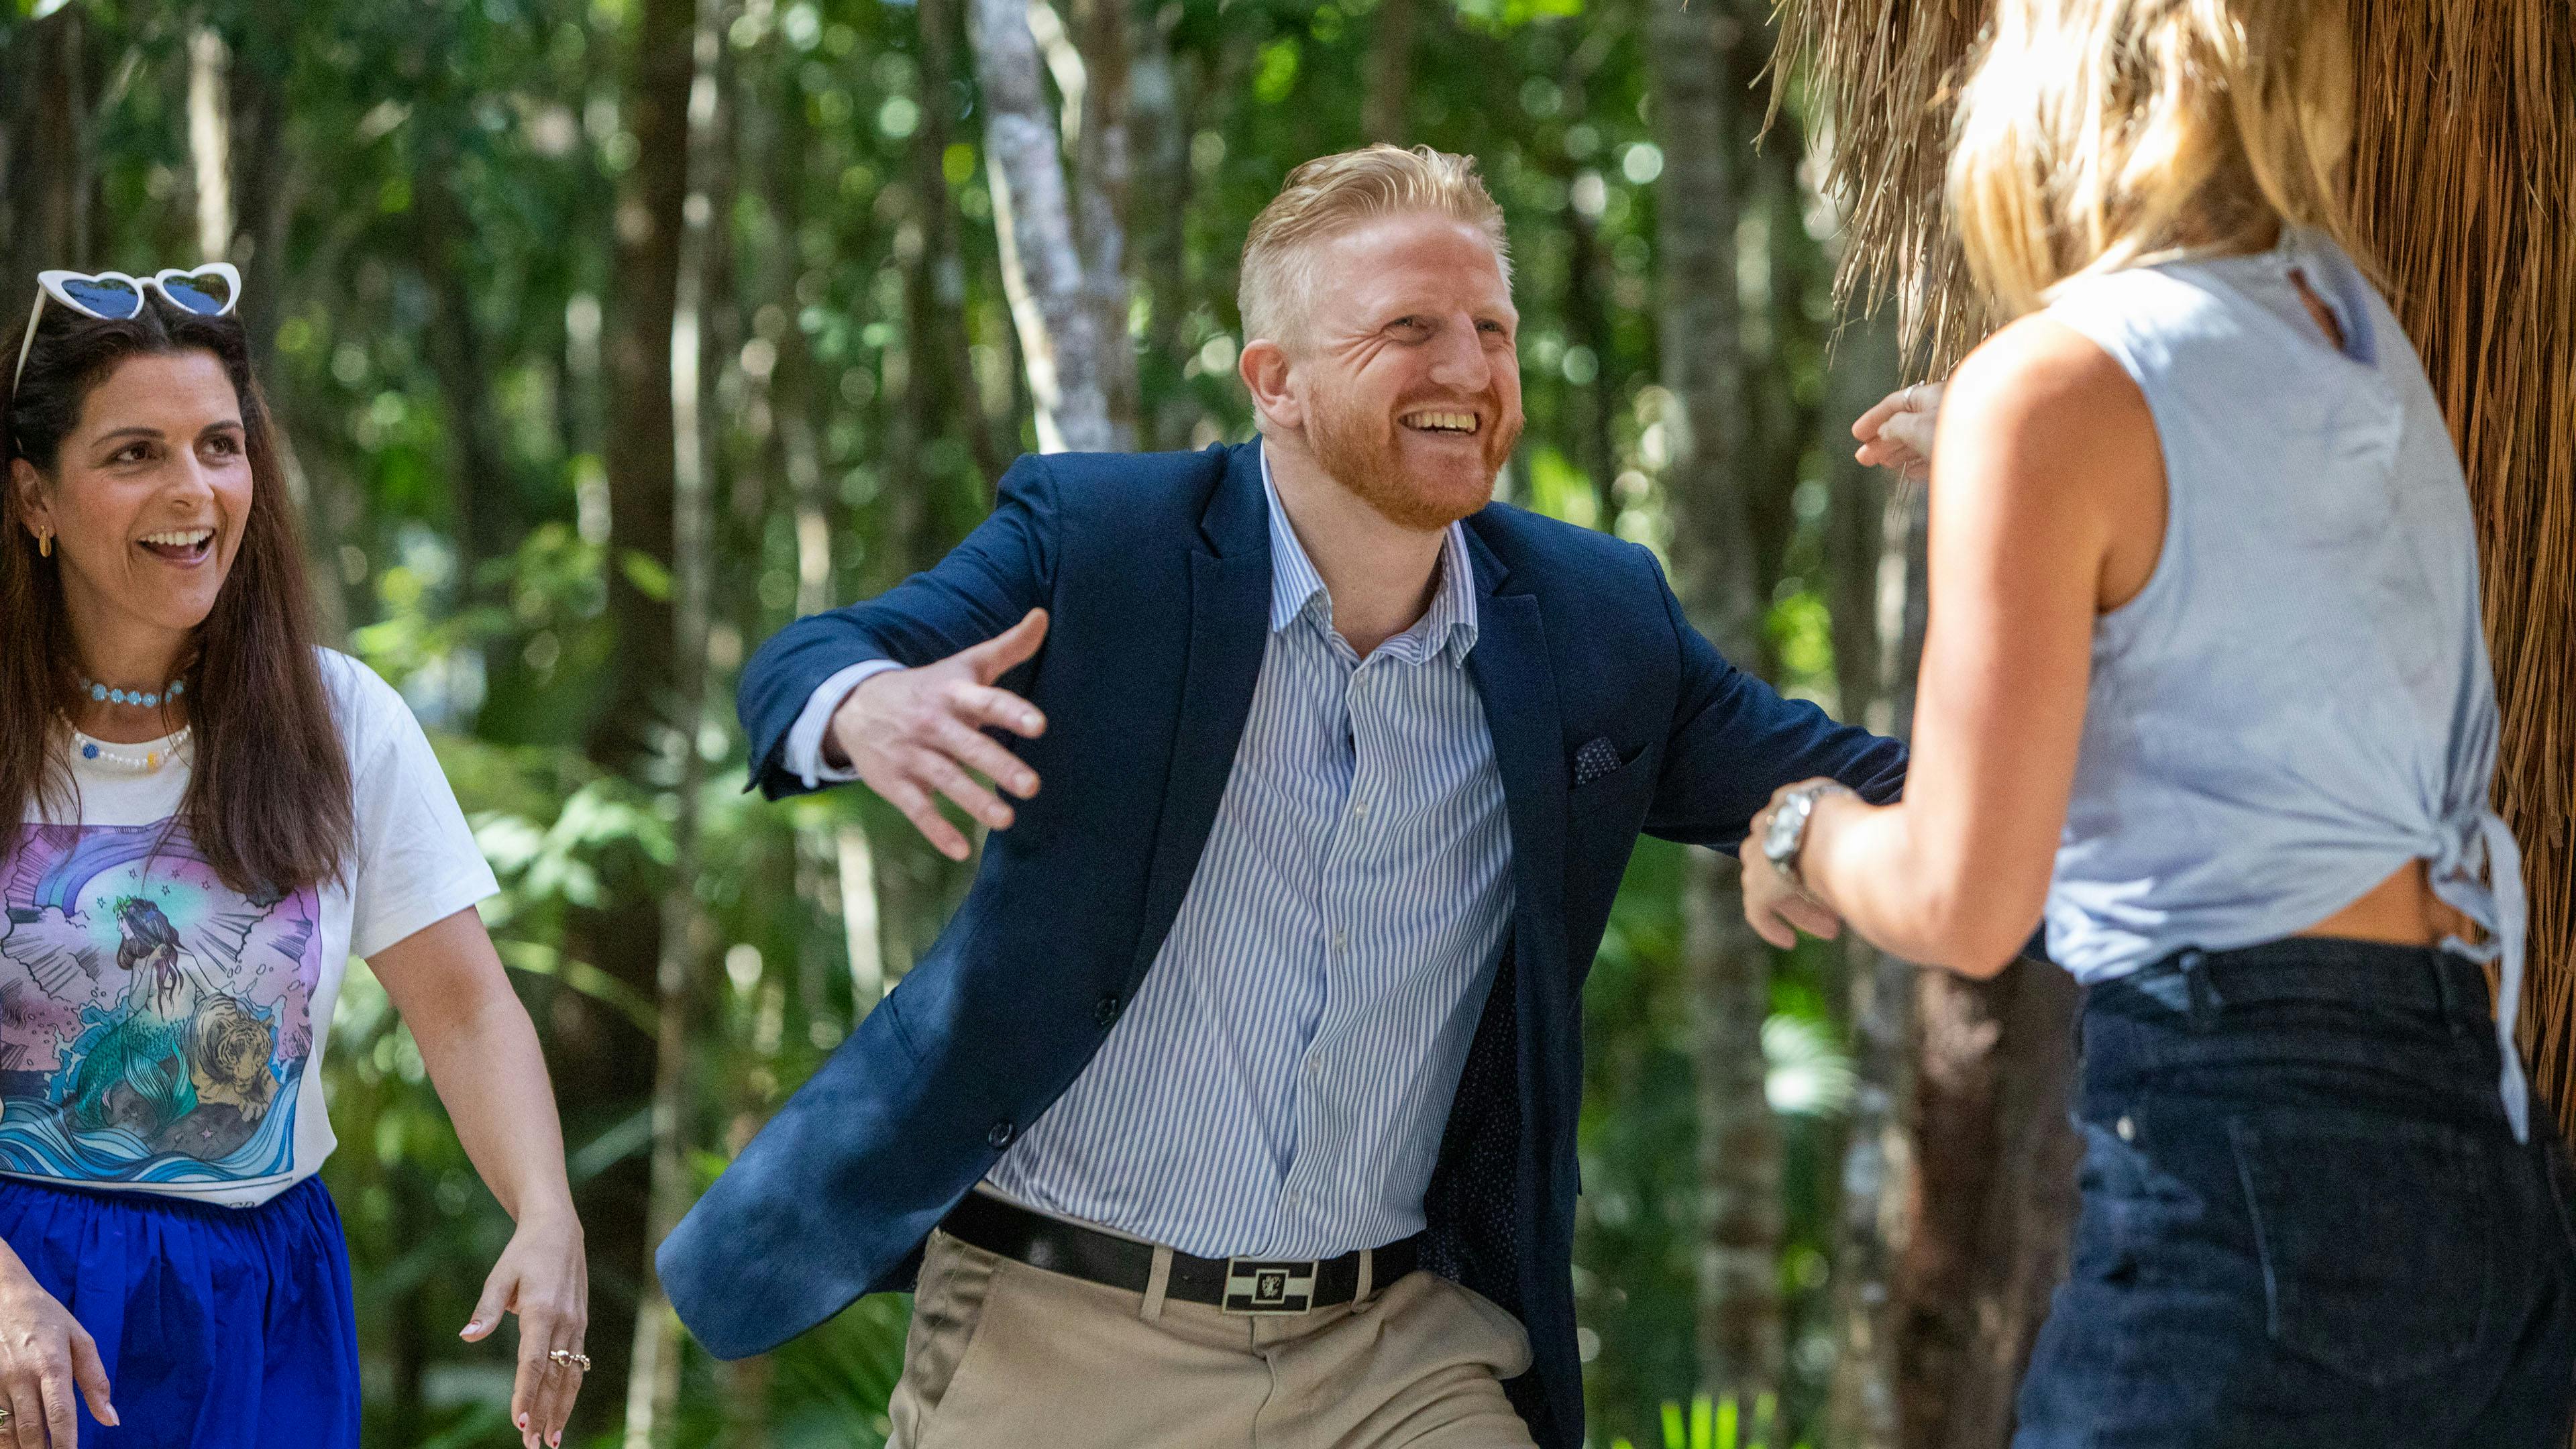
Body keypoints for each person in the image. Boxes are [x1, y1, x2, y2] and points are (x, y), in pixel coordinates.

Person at [657, 144, 1905, 1448]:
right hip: (1066, 1337)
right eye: (1409, 330)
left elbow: (1892, 792)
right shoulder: (1108, 545)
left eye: (1491, 329)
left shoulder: (1596, 620)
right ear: (1276, 383)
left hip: (1392, 1353)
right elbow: (814, 660)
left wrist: (2010, 511)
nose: (1469, 370)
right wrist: (866, 705)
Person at [1751, 1, 2576, 1444]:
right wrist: (2010, 448)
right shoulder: (2347, 328)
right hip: (2486, 1169)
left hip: (2249, 1176)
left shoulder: (2052, 389)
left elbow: (1961, 902)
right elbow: (2248, 557)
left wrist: (1802, 828)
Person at [0, 266, 590, 1449]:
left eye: (220, 446)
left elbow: (467, 1010)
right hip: (25, 1296)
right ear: (35, 497)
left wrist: (546, 1212)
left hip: (265, 1301)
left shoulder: (341, 718)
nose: (194, 489)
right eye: (134, 454)